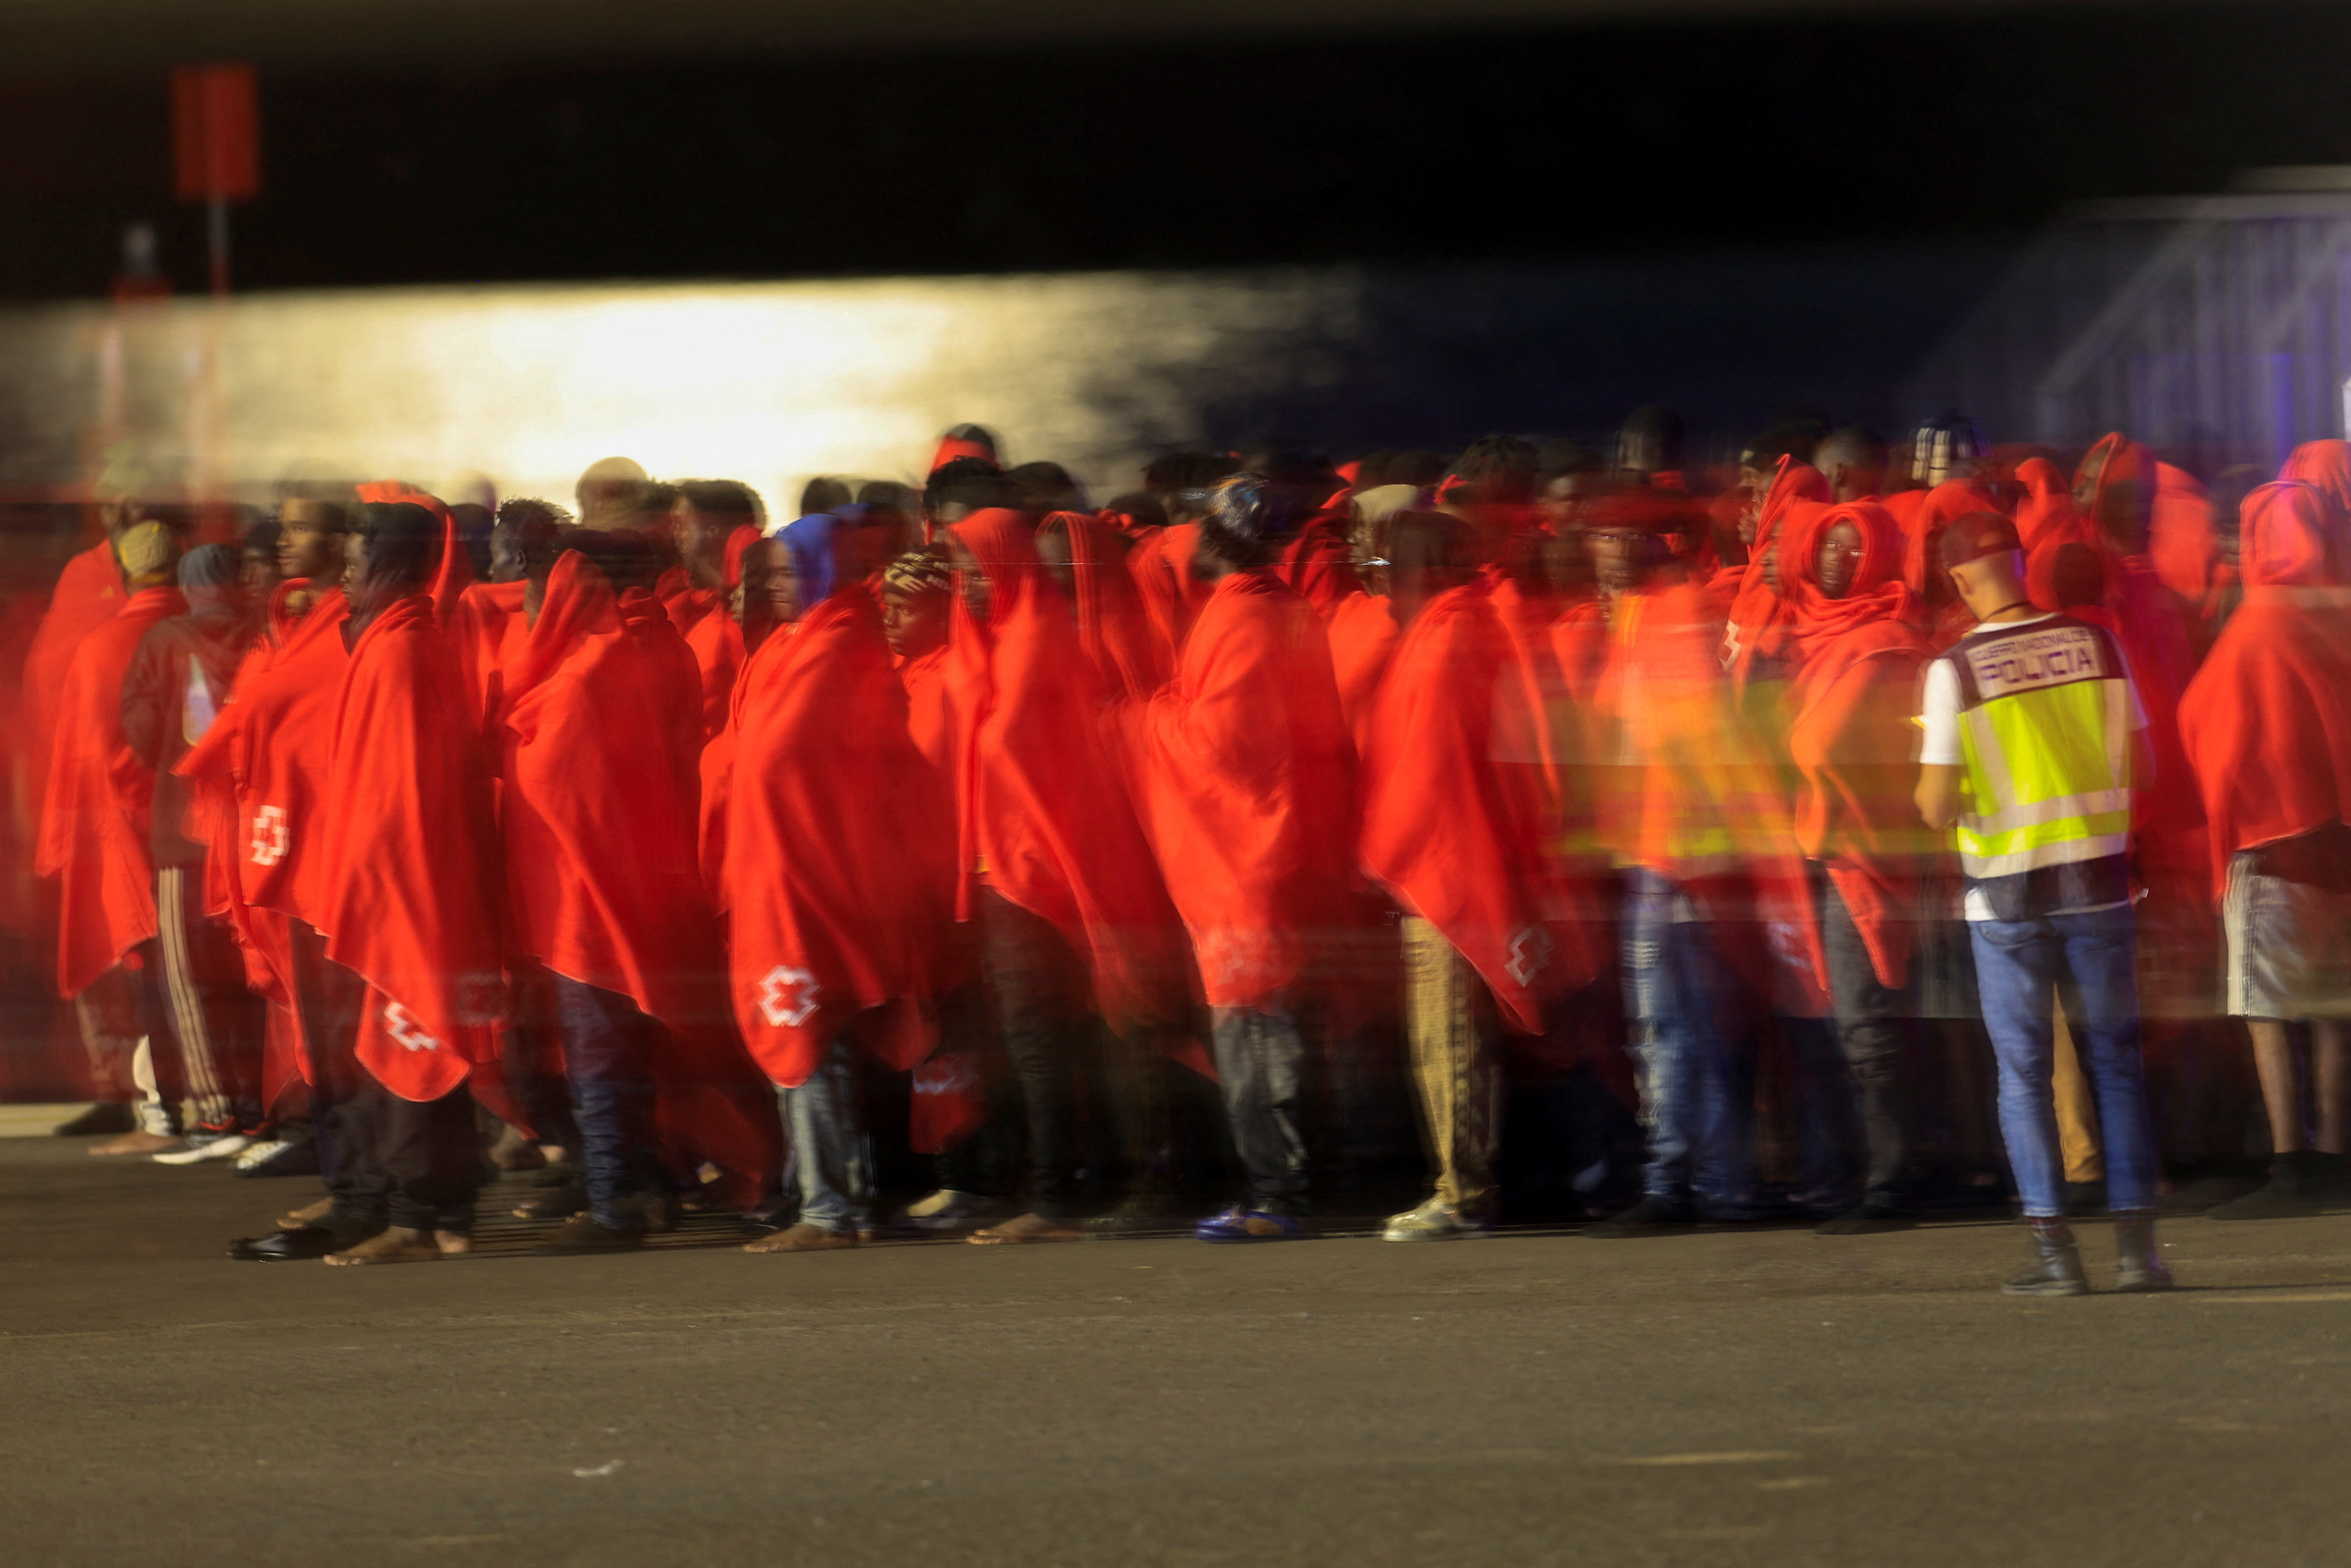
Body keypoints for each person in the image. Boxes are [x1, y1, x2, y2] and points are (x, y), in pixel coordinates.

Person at [1915, 512, 2170, 1295]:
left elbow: (1931, 806)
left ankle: (2054, 1254)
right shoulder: (2099, 645)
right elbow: (2146, 769)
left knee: (2023, 1077)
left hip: (2008, 898)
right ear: (2021, 565)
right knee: (2117, 1070)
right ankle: (2137, 1255)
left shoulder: (1951, 670)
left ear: (1959, 580)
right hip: (2098, 888)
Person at [943, 507, 1198, 1243]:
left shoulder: (1039, 648)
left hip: (1045, 876)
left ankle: (1063, 1199)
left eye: (975, 570)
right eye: (959, 572)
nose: (967, 587)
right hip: (1011, 874)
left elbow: (1057, 774)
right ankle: (1073, 1186)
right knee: (1048, 1040)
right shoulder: (995, 648)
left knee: (1053, 1040)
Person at [1360, 510, 1594, 1239]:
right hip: (1455, 858)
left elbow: (1429, 768)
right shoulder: (1457, 623)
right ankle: (1471, 1185)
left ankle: (1462, 1193)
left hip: (1446, 866)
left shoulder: (1449, 633)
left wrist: (1394, 850)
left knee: (1449, 1038)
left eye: (1385, 571)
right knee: (1455, 1038)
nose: (1380, 589)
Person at [496, 540, 733, 1251]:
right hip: (640, 870)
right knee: (625, 1047)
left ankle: (614, 1199)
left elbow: (556, 779)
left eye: (537, 596)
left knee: (598, 1047)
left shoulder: (590, 669)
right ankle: (647, 1187)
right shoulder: (650, 646)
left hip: (589, 889)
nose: (529, 612)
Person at [724, 519, 953, 1252]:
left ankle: (830, 1209)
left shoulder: (837, 646)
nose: (775, 586)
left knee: (810, 1026)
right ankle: (845, 1200)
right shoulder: (801, 644)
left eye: (792, 572)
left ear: (824, 571)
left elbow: (775, 764)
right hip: (796, 869)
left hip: (815, 873)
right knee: (824, 1029)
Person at [1142, 475, 1355, 1240]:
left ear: (1217, 535)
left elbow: (1223, 745)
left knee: (1257, 1030)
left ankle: (1277, 1196)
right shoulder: (1280, 606)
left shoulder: (1244, 616)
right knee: (1276, 1025)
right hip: (1280, 845)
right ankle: (1287, 1188)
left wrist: (1150, 717)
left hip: (1248, 858)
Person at [305, 501, 506, 1265]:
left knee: (411, 1043)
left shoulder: (399, 653)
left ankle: (419, 1216)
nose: (346, 573)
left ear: (391, 563)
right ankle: (444, 1213)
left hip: (404, 889)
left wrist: (365, 890)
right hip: (417, 882)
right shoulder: (406, 640)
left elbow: (395, 797)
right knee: (421, 1040)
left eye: (358, 559)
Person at [2178, 481, 2351, 1218]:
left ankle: (2289, 1163)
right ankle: (2337, 1157)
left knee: (2267, 1011)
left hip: (2270, 848)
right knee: (2332, 1010)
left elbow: (2208, 726)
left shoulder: (2259, 623)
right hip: (2341, 852)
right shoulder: (2339, 615)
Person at [1777, 502, 1938, 1231]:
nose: (1839, 561)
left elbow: (1820, 743)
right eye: (1829, 547)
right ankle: (1876, 1168)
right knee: (1852, 1020)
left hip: (1862, 848)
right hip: (1826, 843)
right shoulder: (1808, 632)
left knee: (1865, 1022)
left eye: (1856, 549)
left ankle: (1891, 1179)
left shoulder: (1887, 638)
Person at [37, 520, 188, 1155]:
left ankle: (162, 1117)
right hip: (199, 827)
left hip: (125, 833)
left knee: (154, 977)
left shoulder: (99, 647)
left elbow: (78, 757)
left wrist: (62, 843)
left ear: (123, 577)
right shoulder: (203, 634)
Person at [118, 543, 269, 1163]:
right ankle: (262, 1104)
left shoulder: (164, 640)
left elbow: (143, 731)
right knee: (252, 975)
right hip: (251, 828)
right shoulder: (265, 633)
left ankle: (216, 1111)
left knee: (188, 977)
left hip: (183, 830)